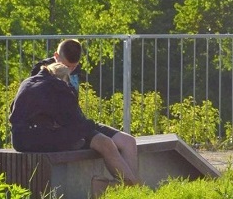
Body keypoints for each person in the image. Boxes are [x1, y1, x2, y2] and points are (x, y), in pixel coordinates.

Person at [10, 61, 139, 185]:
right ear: (64, 78)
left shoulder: (27, 82)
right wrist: (90, 126)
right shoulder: (58, 86)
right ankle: (132, 186)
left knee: (99, 140)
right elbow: (76, 123)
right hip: (41, 137)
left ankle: (127, 184)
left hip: (19, 138)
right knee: (104, 143)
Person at [29, 38, 139, 180]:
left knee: (128, 142)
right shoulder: (42, 71)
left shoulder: (75, 69)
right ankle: (132, 186)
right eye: (66, 66)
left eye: (74, 66)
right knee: (106, 144)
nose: (70, 70)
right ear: (56, 56)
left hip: (79, 121)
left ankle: (130, 187)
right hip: (65, 128)